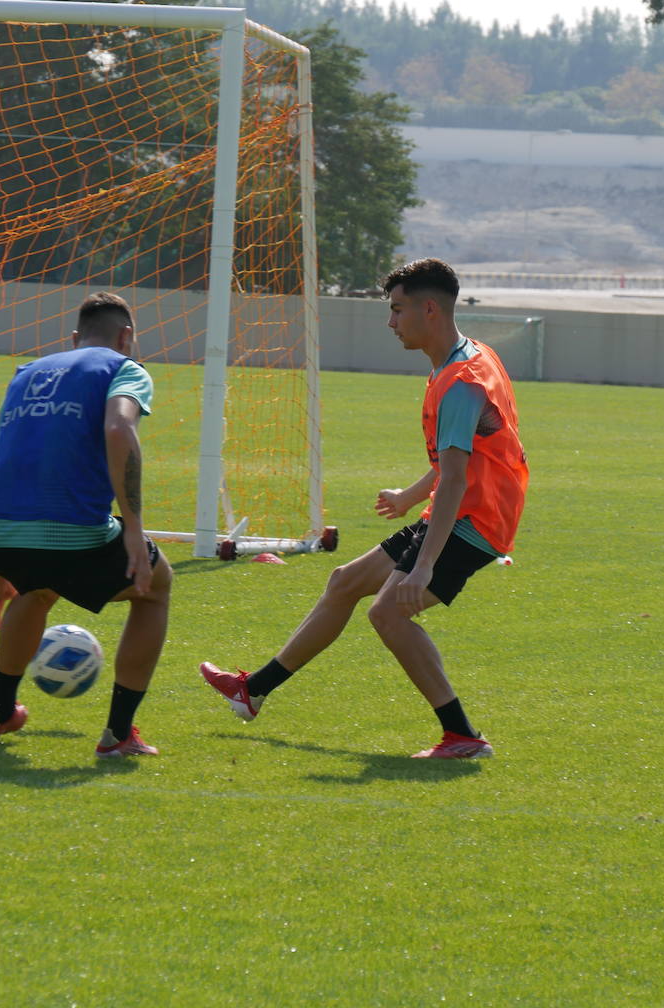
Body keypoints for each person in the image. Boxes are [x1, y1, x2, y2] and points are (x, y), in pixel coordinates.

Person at [200, 258, 529, 758]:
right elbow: (461, 462)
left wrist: (421, 568)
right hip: (462, 509)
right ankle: (255, 689)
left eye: (397, 310)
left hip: (474, 521)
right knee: (344, 583)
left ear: (430, 309)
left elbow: (460, 479)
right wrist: (410, 496)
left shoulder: (461, 382)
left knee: (389, 615)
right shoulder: (467, 357)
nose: (391, 322)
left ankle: (463, 736)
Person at [0, 292, 172, 759]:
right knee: (156, 586)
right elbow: (119, 431)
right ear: (127, 337)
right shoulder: (123, 367)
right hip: (70, 536)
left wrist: (0, 579)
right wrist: (134, 530)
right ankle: (119, 735)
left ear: (74, 339)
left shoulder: (26, 374)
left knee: (36, 588)